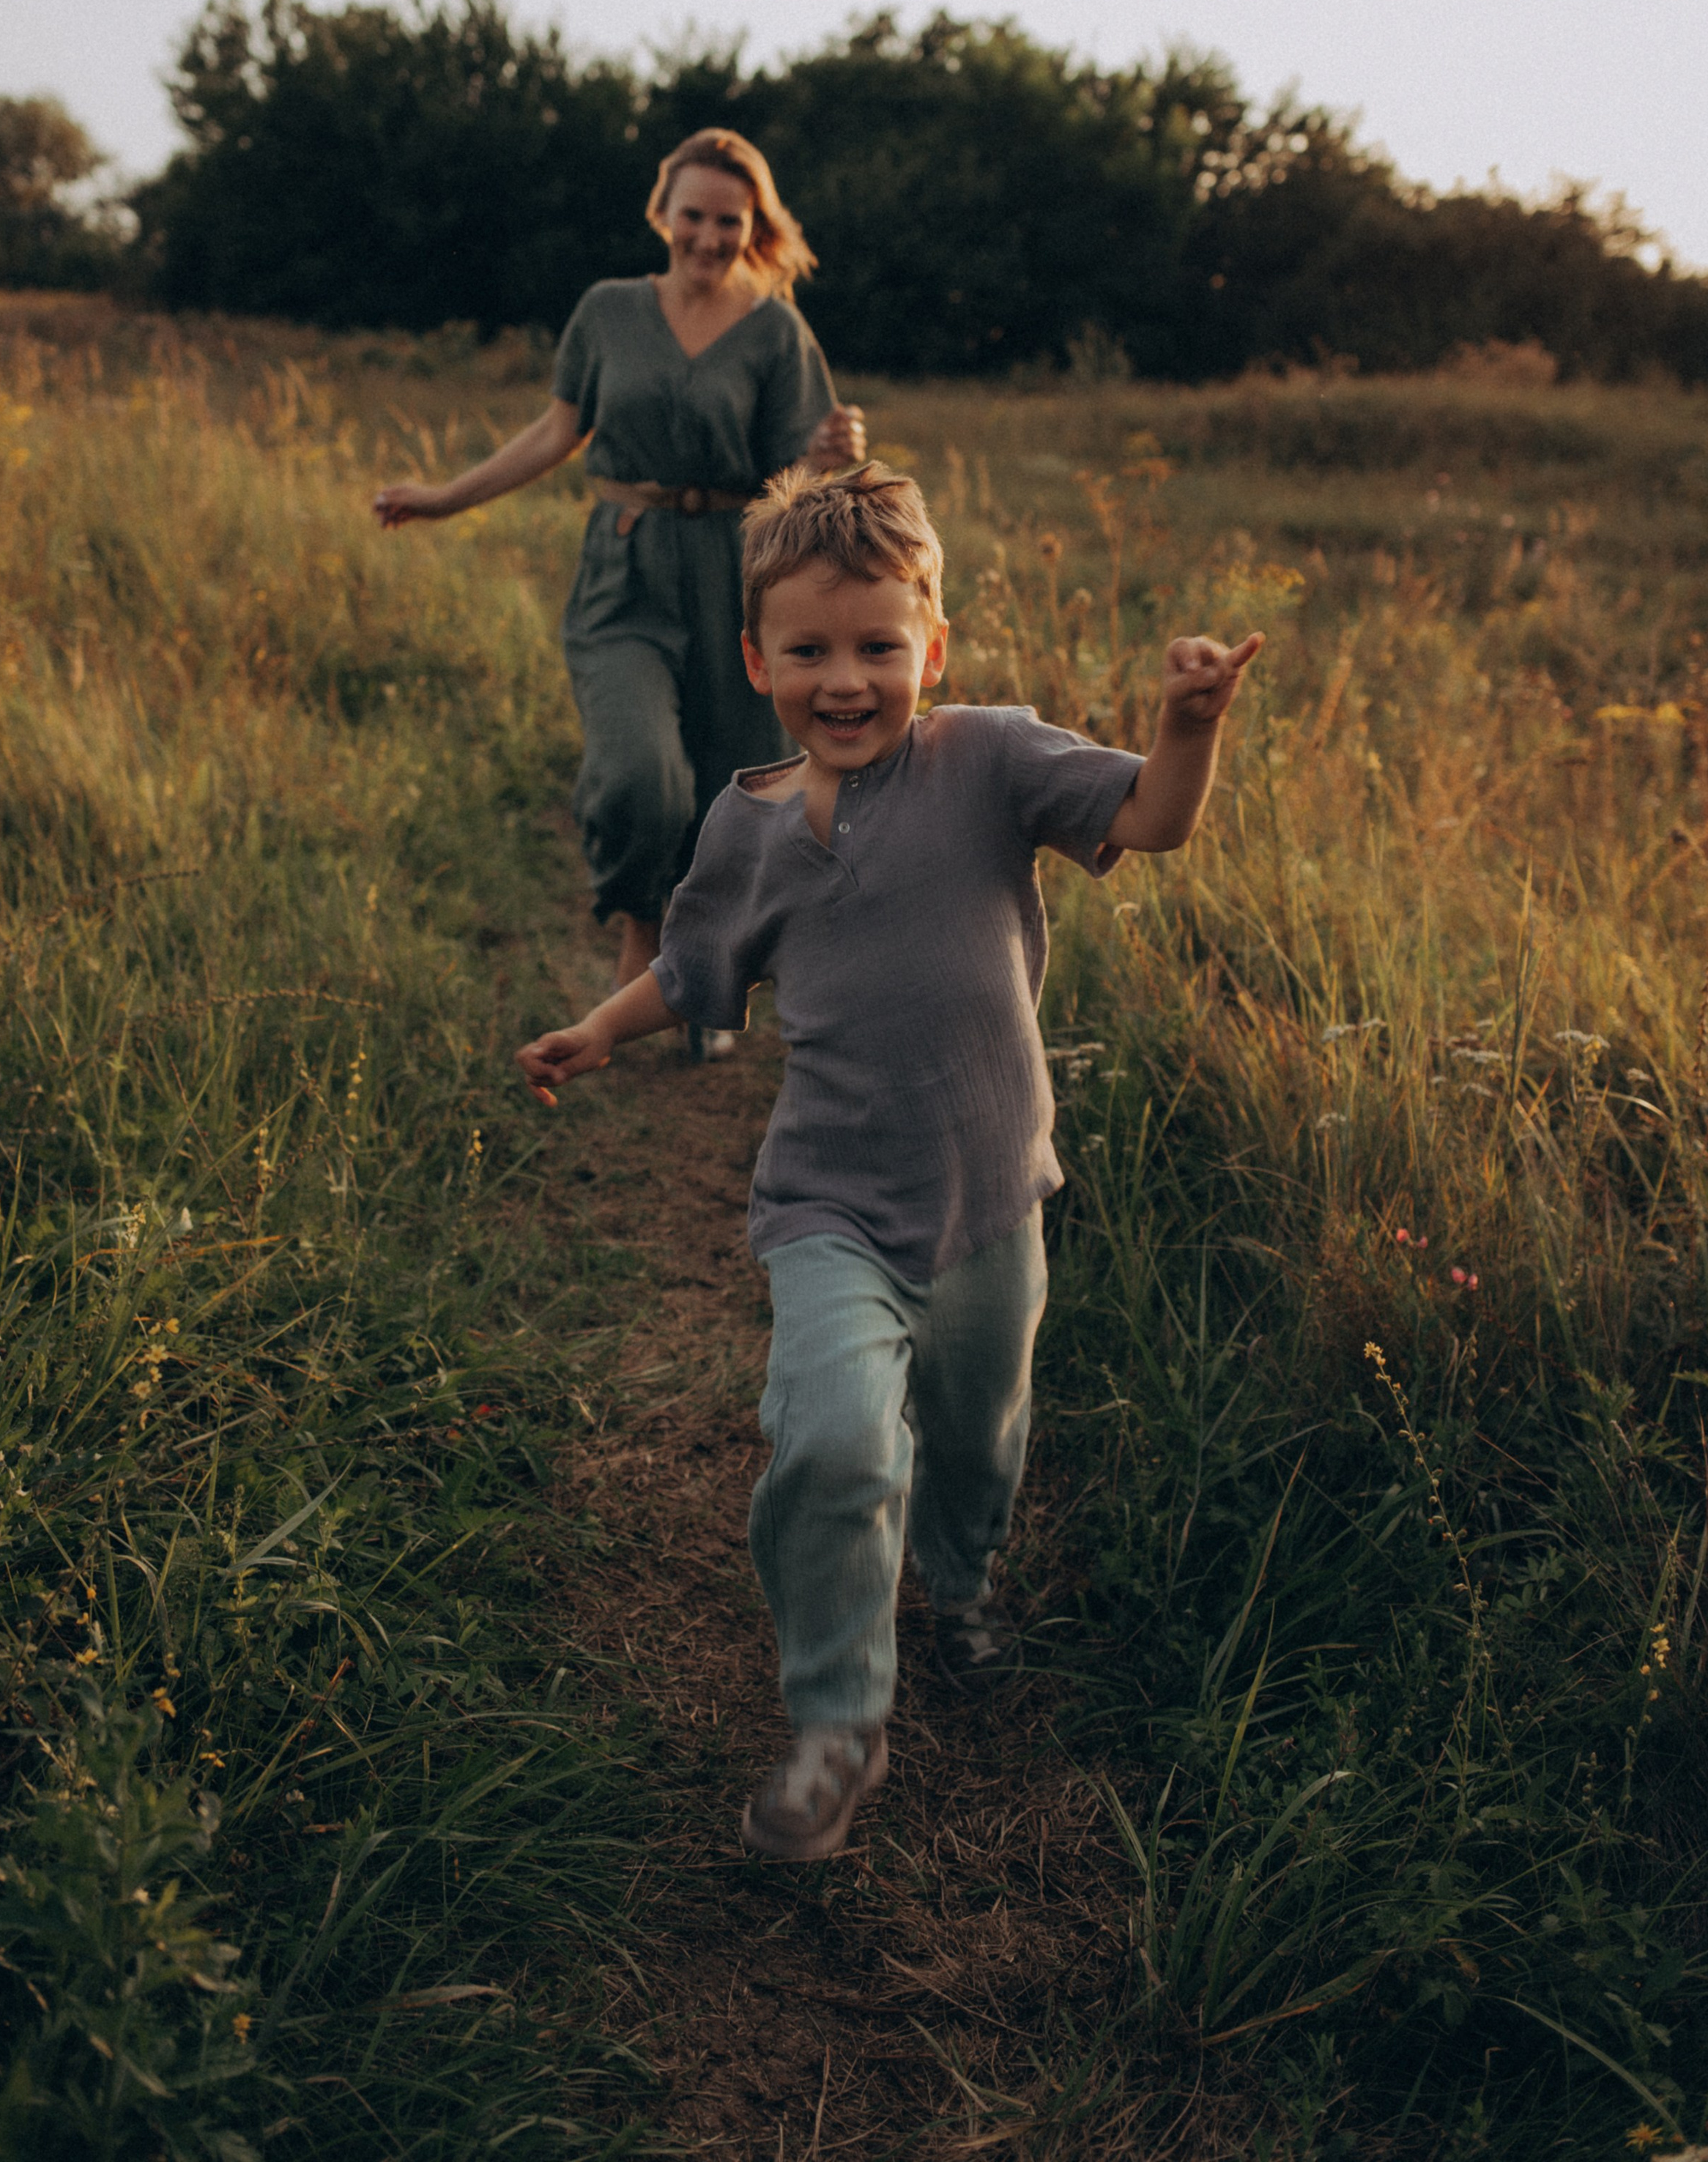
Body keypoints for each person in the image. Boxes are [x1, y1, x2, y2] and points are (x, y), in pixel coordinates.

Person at [515, 463, 1261, 1860]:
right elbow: (693, 966)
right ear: (758, 661)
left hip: (990, 1204)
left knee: (975, 1443)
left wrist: (1183, 727)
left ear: (934, 649)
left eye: (878, 648)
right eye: (809, 652)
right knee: (841, 1442)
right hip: (828, 1208)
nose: (845, 681)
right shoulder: (743, 827)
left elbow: (1155, 820)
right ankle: (835, 1726)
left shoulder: (992, 762)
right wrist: (601, 1030)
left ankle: (962, 1581)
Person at [374, 130, 865, 1019]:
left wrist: (831, 455)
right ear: (661, 214)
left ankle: (704, 973)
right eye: (693, 217)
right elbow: (558, 431)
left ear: (751, 226)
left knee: (732, 786)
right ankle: (642, 923)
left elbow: (798, 479)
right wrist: (446, 497)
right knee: (642, 776)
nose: (709, 238)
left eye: (729, 221)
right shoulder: (608, 310)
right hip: (625, 568)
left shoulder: (775, 330)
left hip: (735, 570)